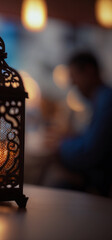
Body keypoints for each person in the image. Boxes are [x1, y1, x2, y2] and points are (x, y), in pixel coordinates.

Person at [47, 51, 112, 196]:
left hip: (102, 187)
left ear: (89, 71)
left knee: (56, 188)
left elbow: (90, 151)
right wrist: (71, 139)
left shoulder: (106, 100)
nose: (72, 83)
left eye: (74, 76)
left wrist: (60, 146)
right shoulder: (100, 100)